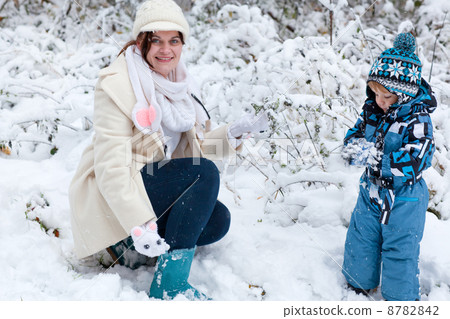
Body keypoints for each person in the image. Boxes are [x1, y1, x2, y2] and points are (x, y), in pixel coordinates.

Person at [68, 0, 267, 300]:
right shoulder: (117, 85)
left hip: (150, 186)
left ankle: (144, 254)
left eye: (174, 40)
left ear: (182, 43)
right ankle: (162, 279)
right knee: (205, 175)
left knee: (218, 219)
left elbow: (190, 151)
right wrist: (139, 223)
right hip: (117, 200)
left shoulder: (178, 85)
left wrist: (231, 135)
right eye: (156, 40)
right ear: (141, 41)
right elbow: (112, 167)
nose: (166, 50)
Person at [341, 32, 436, 301]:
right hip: (370, 191)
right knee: (362, 240)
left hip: (404, 198)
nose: (379, 101)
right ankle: (358, 285)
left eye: (386, 96)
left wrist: (378, 159)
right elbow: (352, 139)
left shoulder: (418, 121)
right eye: (374, 93)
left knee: (400, 251)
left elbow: (417, 160)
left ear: (404, 96)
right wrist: (358, 149)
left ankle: (400, 300)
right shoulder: (373, 111)